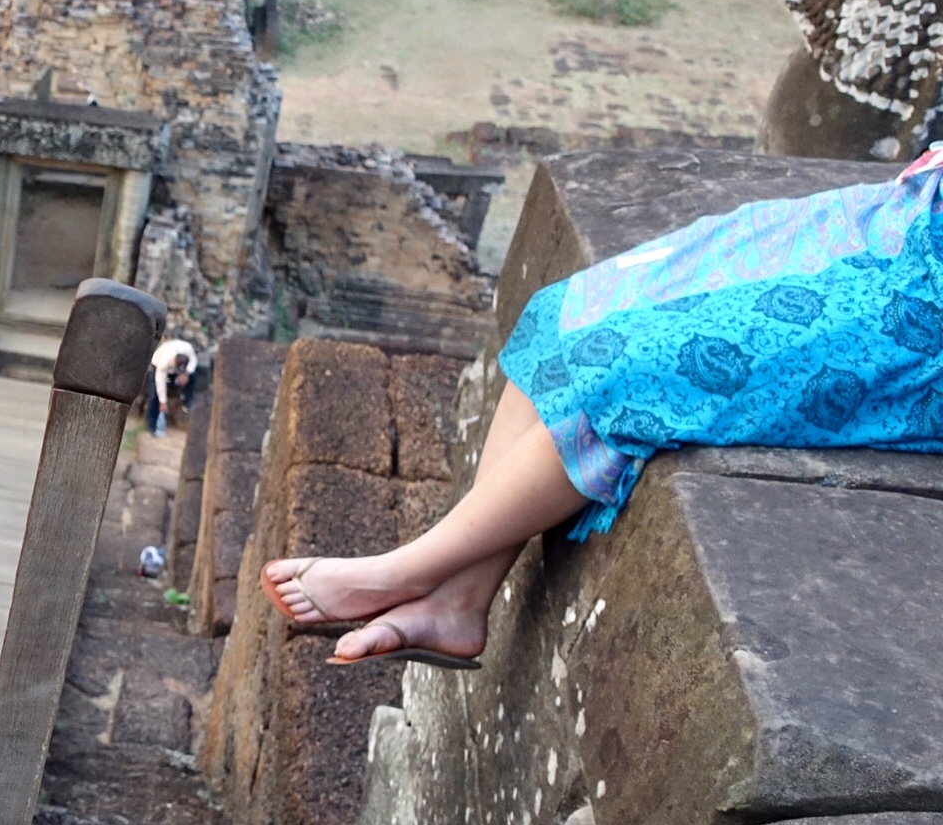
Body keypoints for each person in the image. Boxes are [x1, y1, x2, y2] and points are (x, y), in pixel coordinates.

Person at [263, 150, 943, 669]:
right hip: (907, 216)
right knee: (569, 310)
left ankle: (404, 570)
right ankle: (458, 600)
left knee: (634, 377)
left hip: (924, 317)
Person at [144, 333, 197, 436]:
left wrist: (186, 374)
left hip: (179, 368)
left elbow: (193, 360)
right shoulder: (163, 362)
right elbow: (160, 382)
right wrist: (163, 402)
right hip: (157, 366)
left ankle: (186, 401)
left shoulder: (187, 348)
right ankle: (152, 426)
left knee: (193, 376)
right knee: (155, 396)